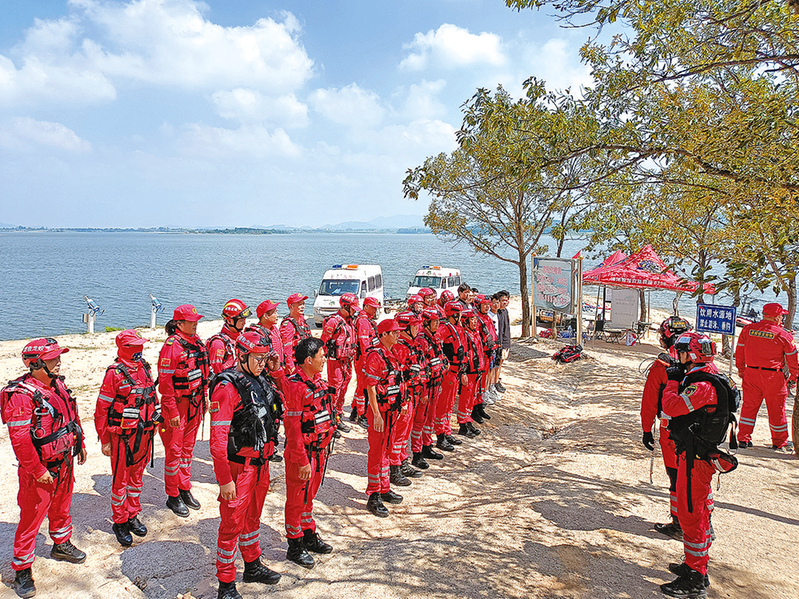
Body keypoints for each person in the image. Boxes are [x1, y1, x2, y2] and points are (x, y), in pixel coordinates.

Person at [1, 338, 87, 598]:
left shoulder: (57, 384)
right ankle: (22, 569)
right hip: (39, 469)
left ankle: (60, 543)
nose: (58, 361)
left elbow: (72, 414)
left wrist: (79, 441)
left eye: (57, 357)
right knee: (31, 517)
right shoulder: (21, 395)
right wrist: (38, 470)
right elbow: (21, 441)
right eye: (52, 359)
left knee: (62, 506)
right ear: (35, 363)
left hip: (63, 461)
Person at [209, 330, 283, 599]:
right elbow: (217, 439)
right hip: (239, 468)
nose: (263, 363)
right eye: (259, 358)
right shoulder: (227, 388)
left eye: (266, 358)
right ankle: (226, 583)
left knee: (253, 519)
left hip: (260, 464)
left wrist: (274, 370)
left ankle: (252, 565)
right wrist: (224, 479)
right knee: (231, 525)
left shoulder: (260, 379)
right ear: (242, 356)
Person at [660, 331, 734, 597]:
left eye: (680, 353)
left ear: (691, 355)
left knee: (692, 517)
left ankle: (696, 577)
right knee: (695, 511)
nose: (677, 358)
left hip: (696, 459)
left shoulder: (701, 385)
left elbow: (671, 406)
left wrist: (671, 382)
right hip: (693, 455)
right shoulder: (709, 373)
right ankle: (692, 565)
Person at [95, 330, 161, 547]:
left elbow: (153, 395)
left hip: (145, 433)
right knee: (120, 481)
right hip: (122, 437)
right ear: (124, 348)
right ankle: (120, 521)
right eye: (134, 347)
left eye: (140, 346)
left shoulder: (145, 368)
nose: (139, 350)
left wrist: (157, 418)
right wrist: (104, 439)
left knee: (136, 478)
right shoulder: (114, 374)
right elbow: (101, 409)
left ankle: (132, 513)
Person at [283, 337, 336, 569]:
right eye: (321, 355)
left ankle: (308, 532)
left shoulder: (316, 382)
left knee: (308, 498)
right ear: (308, 360)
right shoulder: (296, 387)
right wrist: (302, 460)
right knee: (296, 500)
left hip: (318, 451)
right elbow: (292, 430)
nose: (325, 358)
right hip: (303, 454)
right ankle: (295, 546)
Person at [640, 317, 692, 541]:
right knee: (696, 478)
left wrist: (645, 429)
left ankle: (679, 522)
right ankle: (702, 521)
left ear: (664, 336)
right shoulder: (703, 361)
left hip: (671, 430)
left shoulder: (663, 364)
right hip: (702, 432)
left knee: (676, 478)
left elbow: (650, 400)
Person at [158, 304, 210, 517]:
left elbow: (203, 373)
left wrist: (204, 399)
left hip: (195, 403)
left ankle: (184, 487)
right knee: (174, 451)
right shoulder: (172, 346)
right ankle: (172, 494)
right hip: (178, 406)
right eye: (191, 321)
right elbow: (165, 382)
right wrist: (171, 412)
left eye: (196, 320)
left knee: (188, 450)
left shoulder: (196, 342)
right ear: (179, 323)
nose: (196, 323)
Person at [735, 302, 798, 452]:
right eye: (781, 315)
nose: (782, 318)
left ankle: (743, 438)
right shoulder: (784, 335)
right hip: (773, 377)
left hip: (751, 373)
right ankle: (779, 442)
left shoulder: (748, 330)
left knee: (749, 408)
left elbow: (739, 351)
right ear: (776, 317)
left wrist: (741, 370)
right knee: (777, 410)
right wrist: (794, 377)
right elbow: (793, 360)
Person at [364, 318, 406, 517]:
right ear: (383, 335)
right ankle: (373, 494)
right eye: (395, 332)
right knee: (377, 453)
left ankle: (384, 486)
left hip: (392, 411)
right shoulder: (375, 356)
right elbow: (370, 387)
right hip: (380, 412)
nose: (398, 335)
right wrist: (376, 415)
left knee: (387, 450)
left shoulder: (392, 353)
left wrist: (402, 404)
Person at [390, 311, 425, 485]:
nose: (418, 328)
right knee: (397, 433)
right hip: (403, 397)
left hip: (411, 394)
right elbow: (398, 378)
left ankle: (402, 461)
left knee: (404, 432)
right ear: (406, 328)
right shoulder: (399, 348)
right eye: (414, 325)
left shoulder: (411, 344)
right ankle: (394, 468)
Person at [412, 307, 446, 469]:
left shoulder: (435, 338)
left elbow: (439, 359)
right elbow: (420, 368)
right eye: (435, 321)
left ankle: (427, 446)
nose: (437, 324)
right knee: (420, 420)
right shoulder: (421, 341)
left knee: (430, 419)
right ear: (426, 323)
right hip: (425, 388)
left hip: (435, 385)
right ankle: (417, 453)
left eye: (438, 321)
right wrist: (424, 391)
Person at [320, 292, 359, 434]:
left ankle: (338, 416)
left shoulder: (349, 320)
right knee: (334, 390)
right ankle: (330, 421)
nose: (355, 310)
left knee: (343, 390)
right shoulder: (334, 321)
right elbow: (323, 341)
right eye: (352, 308)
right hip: (335, 361)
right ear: (344, 306)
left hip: (347, 361)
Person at [435, 301, 467, 451]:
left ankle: (446, 431)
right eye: (459, 313)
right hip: (448, 374)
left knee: (449, 406)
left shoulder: (457, 328)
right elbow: (437, 348)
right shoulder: (444, 329)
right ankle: (440, 435)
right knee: (442, 406)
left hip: (456, 372)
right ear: (454, 314)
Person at [351, 296, 381, 428]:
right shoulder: (363, 321)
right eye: (373, 308)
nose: (375, 311)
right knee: (364, 388)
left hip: (364, 358)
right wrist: (368, 361)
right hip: (363, 359)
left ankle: (354, 411)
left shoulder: (366, 319)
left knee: (361, 387)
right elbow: (364, 344)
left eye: (376, 308)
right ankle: (361, 415)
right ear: (366, 307)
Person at [457, 309, 486, 438]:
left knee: (471, 399)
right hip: (468, 372)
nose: (475, 322)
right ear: (465, 321)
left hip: (476, 370)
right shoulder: (464, 335)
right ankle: (463, 425)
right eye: (472, 319)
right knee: (465, 399)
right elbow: (462, 354)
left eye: (475, 319)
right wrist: (463, 372)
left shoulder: (475, 333)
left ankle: (468, 421)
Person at [207, 299, 252, 375]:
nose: (244, 323)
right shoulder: (218, 344)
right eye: (241, 320)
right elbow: (216, 373)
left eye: (245, 319)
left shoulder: (241, 338)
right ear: (230, 321)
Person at [280, 293, 313, 375]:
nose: (302, 307)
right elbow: (286, 349)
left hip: (306, 363)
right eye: (299, 304)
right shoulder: (288, 325)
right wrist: (291, 367)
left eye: (303, 304)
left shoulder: (302, 321)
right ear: (291, 307)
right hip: (296, 366)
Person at [495, 291, 511, 393]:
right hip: (496, 344)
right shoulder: (496, 313)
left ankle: (497, 381)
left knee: (500, 363)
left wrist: (507, 344)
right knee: (495, 365)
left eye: (507, 300)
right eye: (503, 300)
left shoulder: (505, 311)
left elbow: (506, 329)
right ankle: (494, 383)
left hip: (504, 343)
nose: (505, 302)